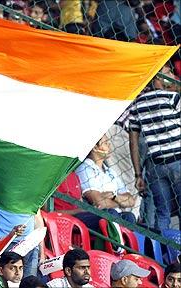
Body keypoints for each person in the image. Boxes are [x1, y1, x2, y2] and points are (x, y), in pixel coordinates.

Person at [129, 65, 180, 230]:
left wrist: (138, 174)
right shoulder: (172, 98)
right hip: (178, 160)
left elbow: (133, 141)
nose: (172, 75)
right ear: (158, 78)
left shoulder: (138, 104)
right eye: (168, 73)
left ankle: (163, 252)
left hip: (155, 166)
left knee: (162, 212)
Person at [76, 135, 137, 223]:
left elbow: (131, 201)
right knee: (111, 214)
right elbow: (99, 203)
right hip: (99, 215)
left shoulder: (110, 171)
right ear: (94, 147)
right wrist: (121, 203)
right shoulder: (85, 168)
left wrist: (114, 197)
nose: (109, 145)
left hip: (117, 214)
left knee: (129, 216)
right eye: (105, 143)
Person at [0, 202, 45, 277]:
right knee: (5, 281)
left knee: (30, 281)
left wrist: (42, 255)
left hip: (31, 244)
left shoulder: (32, 192)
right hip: (4, 243)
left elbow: (37, 219)